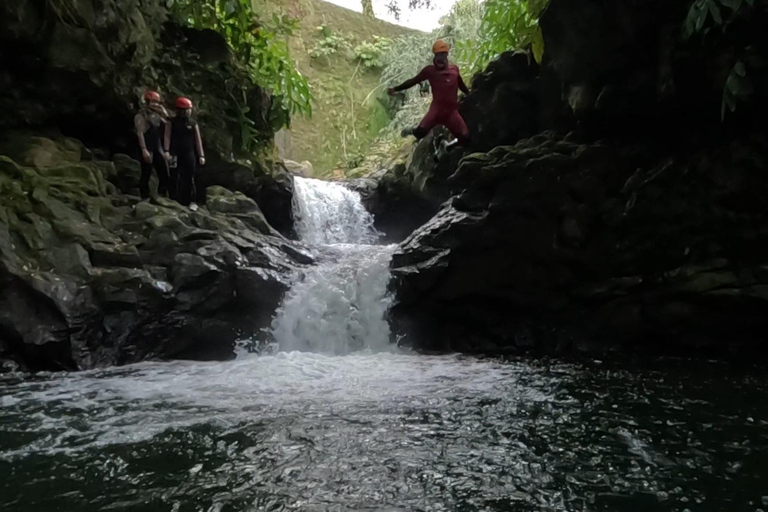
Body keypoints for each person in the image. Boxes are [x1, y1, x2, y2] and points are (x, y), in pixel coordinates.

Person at [387, 40, 471, 157]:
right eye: (437, 55)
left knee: (466, 138)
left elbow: (461, 84)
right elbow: (413, 81)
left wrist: (469, 93)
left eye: (442, 55)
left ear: (446, 55)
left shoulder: (454, 70)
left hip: (452, 113)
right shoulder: (429, 71)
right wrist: (396, 89)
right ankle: (412, 130)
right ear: (434, 56)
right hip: (436, 111)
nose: (439, 58)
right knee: (419, 133)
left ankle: (446, 146)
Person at [164, 97, 205, 211]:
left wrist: (201, 155)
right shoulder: (171, 121)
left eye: (189, 109)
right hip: (174, 153)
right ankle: (172, 198)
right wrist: (166, 151)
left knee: (189, 176)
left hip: (189, 152)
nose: (189, 111)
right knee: (173, 176)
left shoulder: (192, 123)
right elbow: (167, 136)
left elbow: (197, 140)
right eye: (186, 109)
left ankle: (190, 200)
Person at [135, 90, 172, 200]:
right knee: (146, 172)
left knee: (164, 171)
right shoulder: (141, 116)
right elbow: (140, 133)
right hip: (147, 145)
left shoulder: (157, 115)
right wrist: (144, 149)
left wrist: (164, 112)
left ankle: (162, 194)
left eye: (157, 102)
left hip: (157, 146)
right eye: (153, 102)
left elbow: (169, 124)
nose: (155, 105)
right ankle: (144, 196)